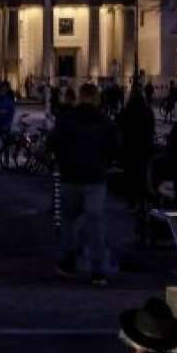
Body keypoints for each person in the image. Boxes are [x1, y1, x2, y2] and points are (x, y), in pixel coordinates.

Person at [50, 82, 118, 286]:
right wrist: (104, 162)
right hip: (95, 179)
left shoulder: (67, 118)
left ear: (79, 97)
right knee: (95, 224)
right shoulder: (104, 120)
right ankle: (98, 270)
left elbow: (53, 142)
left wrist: (62, 160)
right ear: (96, 98)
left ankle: (68, 262)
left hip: (70, 177)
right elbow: (115, 147)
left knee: (69, 221)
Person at [117, 89, 156, 212]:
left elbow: (120, 126)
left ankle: (132, 202)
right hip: (144, 147)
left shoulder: (127, 111)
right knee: (143, 175)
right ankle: (142, 202)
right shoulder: (148, 111)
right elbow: (151, 127)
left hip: (130, 148)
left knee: (130, 176)